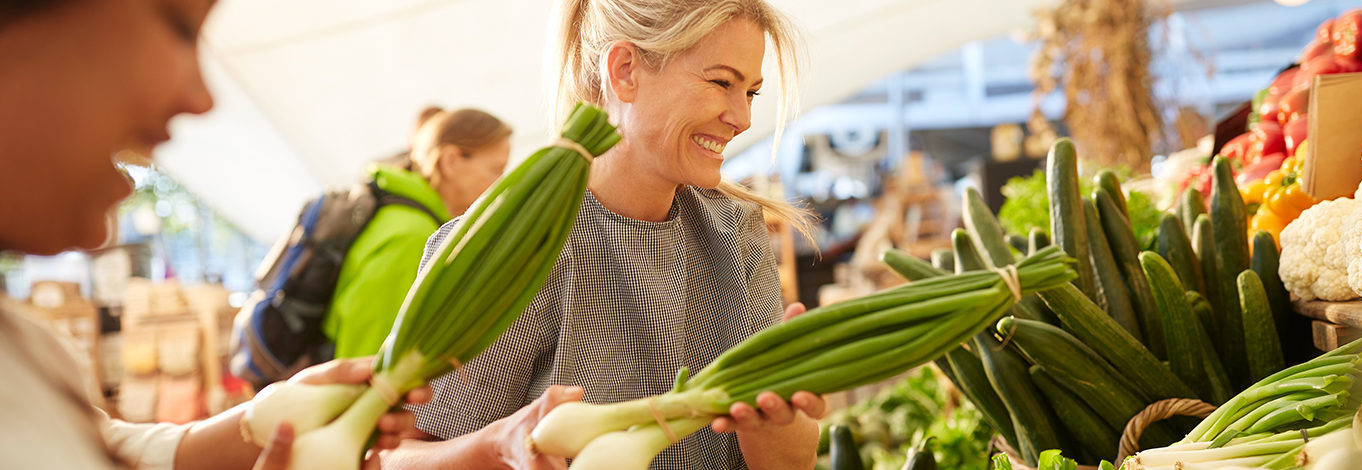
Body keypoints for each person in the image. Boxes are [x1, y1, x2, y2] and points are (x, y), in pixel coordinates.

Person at [381, 0, 826, 468]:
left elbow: (788, 464)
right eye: (721, 82)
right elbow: (395, 455)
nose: (743, 117)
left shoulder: (735, 233)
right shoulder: (514, 246)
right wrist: (494, 446)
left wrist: (776, 409)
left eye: (752, 91)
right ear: (625, 70)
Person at [0, 0, 427, 469]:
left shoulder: (26, 350)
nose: (202, 99)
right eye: (181, 27)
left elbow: (93, 445)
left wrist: (273, 419)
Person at [324, 108, 513, 359]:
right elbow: (364, 357)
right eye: (495, 170)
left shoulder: (411, 219)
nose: (501, 184)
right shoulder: (412, 236)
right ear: (451, 161)